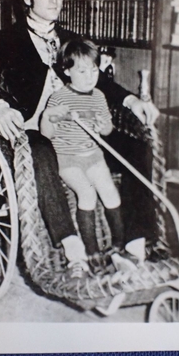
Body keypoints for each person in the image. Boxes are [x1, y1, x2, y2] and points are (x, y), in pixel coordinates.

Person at [0, 0, 164, 278]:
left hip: (84, 127)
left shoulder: (71, 40)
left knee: (137, 147)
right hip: (39, 128)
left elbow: (101, 81)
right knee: (40, 152)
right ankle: (72, 248)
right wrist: (0, 106)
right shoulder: (5, 41)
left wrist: (132, 100)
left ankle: (136, 244)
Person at [40, 39, 129, 275]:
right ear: (67, 71)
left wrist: (103, 125)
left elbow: (107, 129)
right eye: (82, 70)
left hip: (94, 155)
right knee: (87, 192)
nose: (90, 76)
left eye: (93, 69)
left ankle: (119, 245)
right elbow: (46, 135)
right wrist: (49, 116)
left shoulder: (98, 96)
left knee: (110, 190)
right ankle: (92, 252)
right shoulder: (58, 98)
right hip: (68, 159)